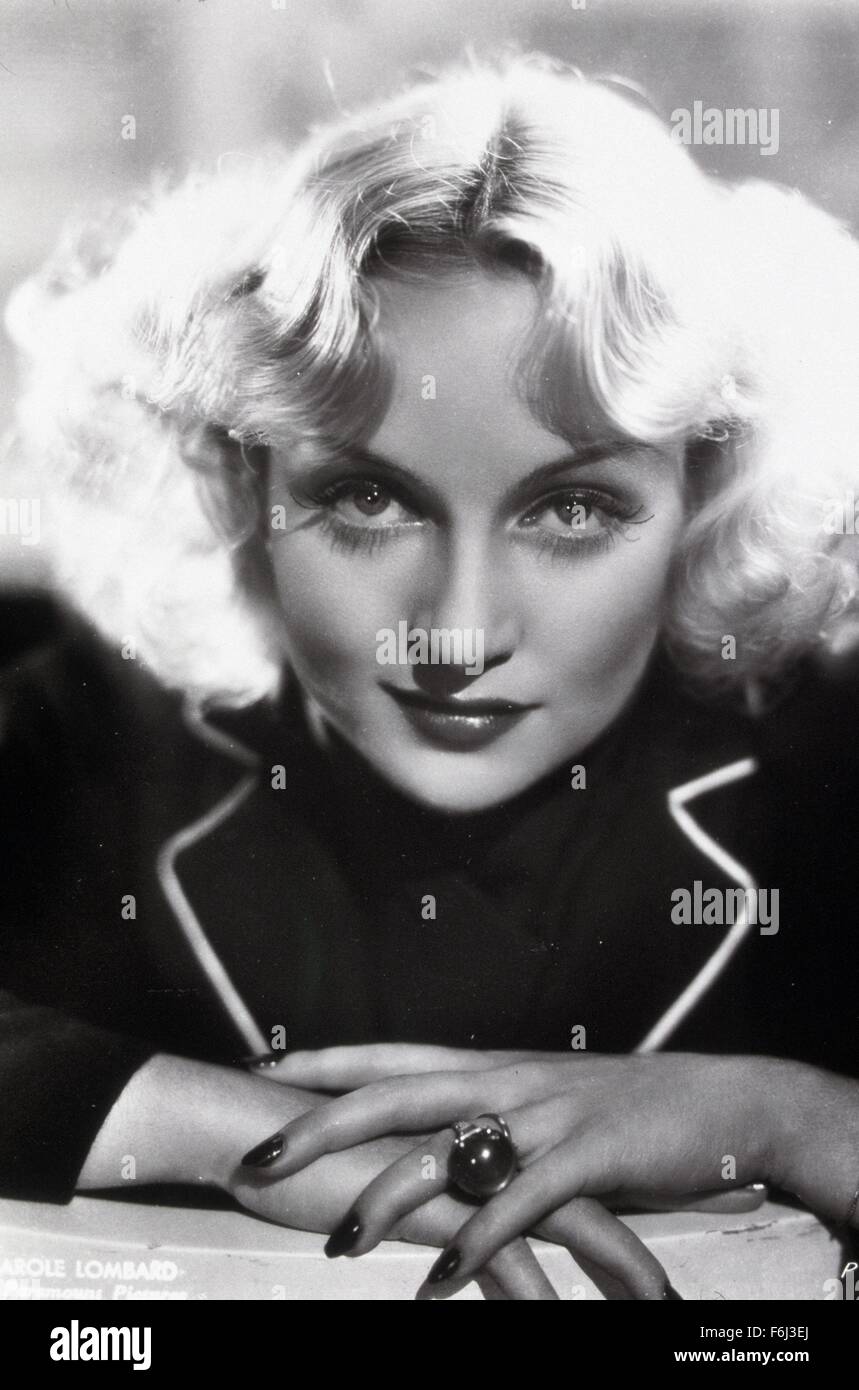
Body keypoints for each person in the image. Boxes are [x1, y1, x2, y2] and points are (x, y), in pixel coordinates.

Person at [1, 52, 858, 1301]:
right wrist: (242, 1137)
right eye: (366, 498)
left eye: (571, 510)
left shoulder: (827, 767)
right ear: (244, 481)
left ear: (707, 498)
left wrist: (789, 1114)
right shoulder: (91, 737)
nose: (456, 635)